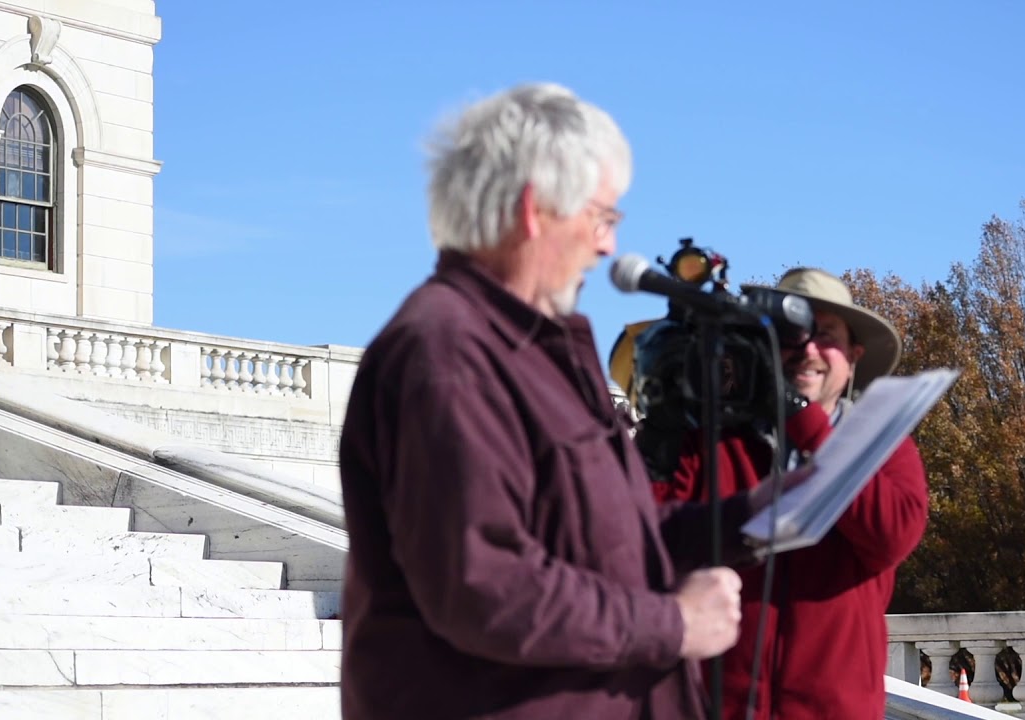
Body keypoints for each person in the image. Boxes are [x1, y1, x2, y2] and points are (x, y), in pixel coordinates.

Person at [337, 82, 803, 720]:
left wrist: (755, 516)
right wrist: (673, 623)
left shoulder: (540, 348)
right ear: (535, 210)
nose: (609, 245)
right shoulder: (445, 354)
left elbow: (608, 537)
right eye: (602, 217)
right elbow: (484, 585)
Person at [650, 267, 930, 720]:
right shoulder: (710, 441)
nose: (808, 349)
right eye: (791, 334)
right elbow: (643, 543)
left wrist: (804, 422)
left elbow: (892, 537)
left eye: (826, 335)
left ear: (854, 355)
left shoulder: (885, 445)